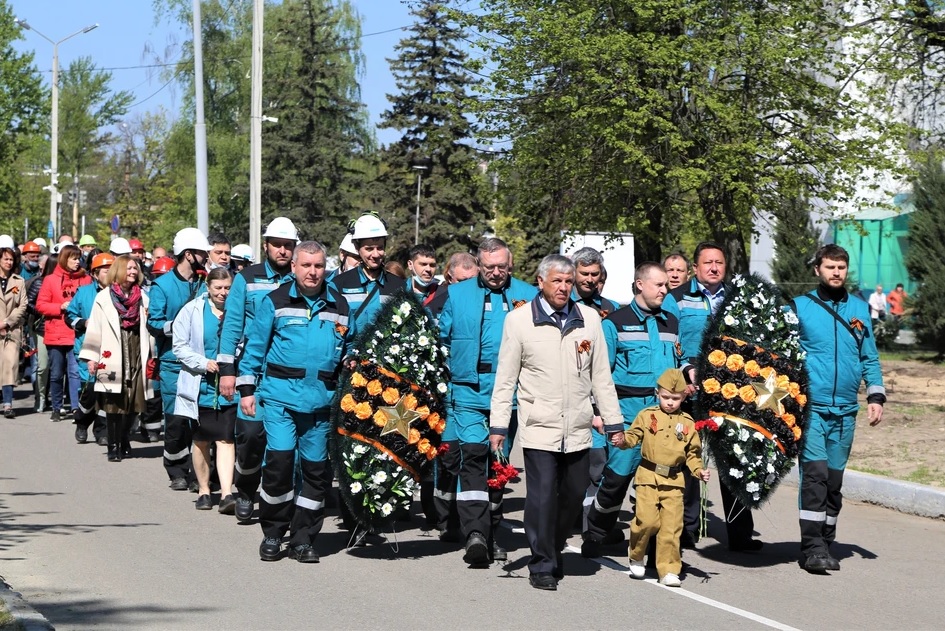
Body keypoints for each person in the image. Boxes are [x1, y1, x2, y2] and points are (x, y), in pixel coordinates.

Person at [490, 254, 623, 591]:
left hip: (578, 428)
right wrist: (499, 426)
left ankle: (554, 541)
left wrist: (613, 422)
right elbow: (505, 379)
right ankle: (543, 564)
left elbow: (601, 378)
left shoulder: (589, 319)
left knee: (574, 493)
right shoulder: (519, 321)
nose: (564, 287)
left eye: (568, 281)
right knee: (542, 496)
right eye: (558, 281)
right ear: (541, 282)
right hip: (539, 427)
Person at [237, 241, 355, 563]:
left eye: (318, 266)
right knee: (280, 465)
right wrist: (247, 391)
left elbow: (350, 346)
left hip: (320, 405)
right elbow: (254, 349)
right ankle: (273, 534)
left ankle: (303, 539)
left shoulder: (340, 305)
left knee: (316, 473)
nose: (313, 272)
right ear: (294, 267)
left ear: (325, 268)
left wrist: (352, 361)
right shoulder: (273, 301)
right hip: (280, 401)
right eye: (306, 266)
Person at [435, 237, 537, 565]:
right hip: (467, 388)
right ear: (479, 265)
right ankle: (475, 534)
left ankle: (492, 531)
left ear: (511, 265)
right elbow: (440, 338)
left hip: (510, 393)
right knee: (473, 456)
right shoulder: (456, 293)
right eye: (489, 267)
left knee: (498, 462)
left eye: (502, 267)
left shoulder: (529, 295)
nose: (496, 273)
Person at [789, 244, 885, 573]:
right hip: (812, 408)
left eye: (841, 268)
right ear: (817, 269)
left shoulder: (859, 309)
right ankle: (812, 547)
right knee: (814, 477)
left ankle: (826, 539)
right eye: (829, 267)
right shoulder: (799, 307)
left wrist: (875, 397)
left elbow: (869, 357)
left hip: (846, 410)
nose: (835, 273)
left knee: (833, 481)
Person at [582, 262, 688, 557]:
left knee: (659, 481)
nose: (665, 291)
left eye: (666, 285)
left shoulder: (671, 323)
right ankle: (597, 532)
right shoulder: (614, 323)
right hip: (627, 415)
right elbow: (599, 372)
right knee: (617, 478)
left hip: (664, 416)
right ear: (640, 284)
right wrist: (599, 412)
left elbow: (680, 361)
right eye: (660, 285)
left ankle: (656, 547)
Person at [665, 242, 761, 552]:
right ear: (695, 268)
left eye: (719, 262)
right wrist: (683, 372)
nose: (714, 268)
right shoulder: (677, 299)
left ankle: (740, 534)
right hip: (690, 391)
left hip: (730, 395)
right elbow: (669, 342)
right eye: (707, 263)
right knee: (689, 460)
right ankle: (686, 530)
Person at [218, 217, 299, 522]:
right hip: (254, 373)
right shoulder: (247, 278)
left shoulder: (302, 277)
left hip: (288, 373)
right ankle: (246, 488)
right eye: (277, 245)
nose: (282, 250)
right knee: (251, 436)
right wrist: (227, 370)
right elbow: (232, 325)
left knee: (285, 445)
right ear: (265, 245)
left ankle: (279, 501)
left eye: (288, 246)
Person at [611, 369, 709, 587]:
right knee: (646, 521)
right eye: (666, 397)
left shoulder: (688, 422)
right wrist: (622, 440)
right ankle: (636, 554)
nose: (670, 403)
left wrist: (698, 471)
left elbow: (693, 454)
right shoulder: (647, 415)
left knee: (671, 528)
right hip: (648, 476)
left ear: (684, 397)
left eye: (675, 398)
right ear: (657, 393)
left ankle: (669, 569)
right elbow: (633, 436)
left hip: (674, 481)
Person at [147, 228, 211, 490]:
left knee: (197, 419)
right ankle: (175, 469)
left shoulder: (205, 283)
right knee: (175, 419)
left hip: (199, 361)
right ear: (188, 255)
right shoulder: (162, 286)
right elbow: (153, 323)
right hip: (173, 362)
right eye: (202, 253)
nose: (206, 258)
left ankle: (199, 473)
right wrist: (181, 325)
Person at [174, 267, 238, 513]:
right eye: (218, 288)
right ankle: (203, 490)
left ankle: (226, 493)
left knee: (226, 438)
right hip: (200, 385)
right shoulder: (192, 311)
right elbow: (179, 346)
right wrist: (203, 363)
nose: (223, 293)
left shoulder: (236, 311)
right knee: (201, 440)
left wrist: (230, 362)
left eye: (228, 288)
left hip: (228, 386)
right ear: (208, 288)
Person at [79, 255, 151, 462]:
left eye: (135, 268)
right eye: (129, 268)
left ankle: (124, 437)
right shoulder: (103, 298)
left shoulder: (143, 297)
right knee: (113, 404)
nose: (133, 272)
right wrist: (92, 358)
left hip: (136, 350)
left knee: (134, 402)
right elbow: (95, 328)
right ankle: (113, 445)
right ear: (118, 270)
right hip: (111, 354)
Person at [36, 244, 91, 422]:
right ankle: (57, 407)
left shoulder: (85, 279)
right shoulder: (50, 280)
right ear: (64, 259)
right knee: (56, 373)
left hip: (77, 332)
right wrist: (59, 306)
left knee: (75, 372)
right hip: (56, 332)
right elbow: (41, 305)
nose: (78, 261)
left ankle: (76, 408)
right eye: (74, 258)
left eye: (79, 258)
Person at [65, 252, 115, 445]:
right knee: (91, 390)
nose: (109, 273)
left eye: (112, 269)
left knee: (107, 391)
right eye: (105, 270)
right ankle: (82, 421)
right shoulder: (84, 292)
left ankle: (101, 430)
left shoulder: (119, 293)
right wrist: (83, 323)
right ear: (95, 274)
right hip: (88, 349)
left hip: (112, 351)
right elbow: (69, 316)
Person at [330, 212, 406, 331]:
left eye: (380, 248)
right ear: (357, 248)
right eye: (369, 249)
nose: (375, 254)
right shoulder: (339, 284)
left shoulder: (399, 285)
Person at [27, 255, 58, 413]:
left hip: (61, 329)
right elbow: (29, 303)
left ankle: (56, 402)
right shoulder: (39, 282)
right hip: (42, 330)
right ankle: (41, 397)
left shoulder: (65, 283)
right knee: (42, 366)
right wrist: (43, 310)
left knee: (58, 368)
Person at [0, 244, 27, 418]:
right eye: (6, 259)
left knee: (9, 365)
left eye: (11, 259)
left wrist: (7, 322)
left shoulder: (19, 281)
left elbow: (22, 304)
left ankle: (8, 404)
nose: (9, 262)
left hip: (11, 330)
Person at [570, 247, 620, 315]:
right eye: (585, 274)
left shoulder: (612, 308)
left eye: (594, 274)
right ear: (573, 272)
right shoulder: (561, 303)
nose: (589, 280)